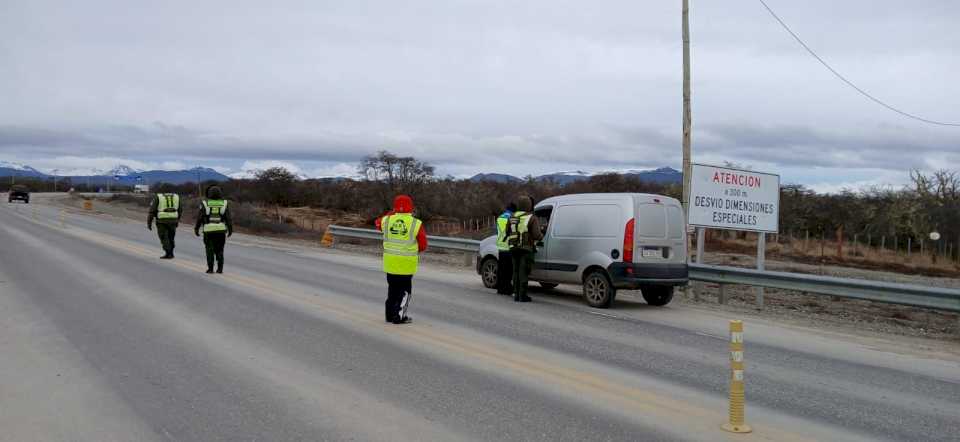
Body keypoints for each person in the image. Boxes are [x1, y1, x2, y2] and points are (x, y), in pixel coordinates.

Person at [375, 194, 427, 324]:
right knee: (405, 292)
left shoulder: (386, 220)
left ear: (394, 207)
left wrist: (392, 213)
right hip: (406, 265)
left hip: (390, 263)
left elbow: (377, 222)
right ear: (411, 207)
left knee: (392, 289)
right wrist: (413, 250)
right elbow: (423, 245)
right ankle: (399, 316)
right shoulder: (416, 223)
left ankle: (389, 315)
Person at [506, 195, 542, 302]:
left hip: (513, 248)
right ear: (529, 205)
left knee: (515, 272)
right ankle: (523, 295)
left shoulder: (512, 217)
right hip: (526, 249)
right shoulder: (531, 217)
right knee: (524, 272)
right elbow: (536, 235)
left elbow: (508, 232)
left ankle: (516, 295)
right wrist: (542, 235)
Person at [194, 185, 233, 274]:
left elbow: (200, 218)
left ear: (209, 193)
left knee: (209, 250)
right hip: (221, 231)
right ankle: (220, 269)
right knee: (220, 249)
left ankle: (210, 268)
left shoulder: (204, 203)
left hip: (208, 231)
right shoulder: (224, 203)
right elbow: (228, 218)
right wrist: (230, 229)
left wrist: (196, 228)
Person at [147, 191, 182, 259]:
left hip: (161, 220)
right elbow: (180, 209)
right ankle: (171, 253)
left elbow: (152, 211)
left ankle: (168, 253)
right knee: (171, 237)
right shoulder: (176, 197)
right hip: (173, 220)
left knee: (164, 237)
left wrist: (149, 223)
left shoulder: (159, 197)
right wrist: (177, 220)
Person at [495, 202, 517, 295]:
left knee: (501, 269)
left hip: (500, 246)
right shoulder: (513, 218)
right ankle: (507, 289)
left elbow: (497, 231)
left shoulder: (499, 217)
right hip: (509, 246)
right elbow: (515, 232)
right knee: (508, 270)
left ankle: (500, 288)